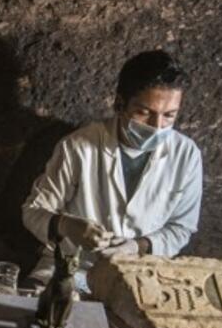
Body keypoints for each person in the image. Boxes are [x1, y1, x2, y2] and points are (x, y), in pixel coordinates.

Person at [21, 49, 202, 285]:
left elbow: (181, 228)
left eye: (169, 115)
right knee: (44, 303)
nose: (157, 127)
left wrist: (137, 246)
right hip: (72, 269)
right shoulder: (78, 146)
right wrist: (67, 225)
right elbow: (33, 212)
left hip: (138, 275)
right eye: (144, 113)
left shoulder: (186, 155)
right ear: (119, 104)